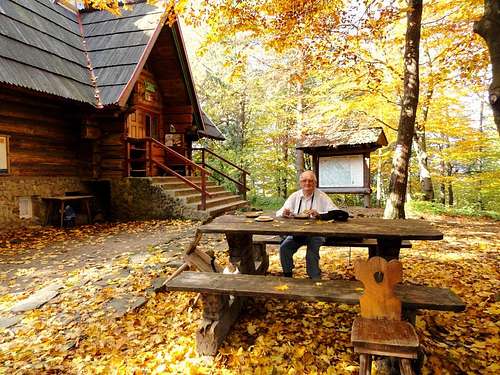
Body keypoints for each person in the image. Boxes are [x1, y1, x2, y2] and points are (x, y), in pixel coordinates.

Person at [276, 170, 337, 279]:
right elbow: (279, 212)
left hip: (317, 233)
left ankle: (314, 279)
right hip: (298, 233)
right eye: (304, 181)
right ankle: (288, 275)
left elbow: (336, 212)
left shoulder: (322, 196)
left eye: (310, 181)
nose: (307, 183)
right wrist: (284, 213)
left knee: (311, 254)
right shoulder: (295, 196)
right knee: (284, 248)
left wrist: (319, 214)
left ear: (315, 183)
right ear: (300, 183)